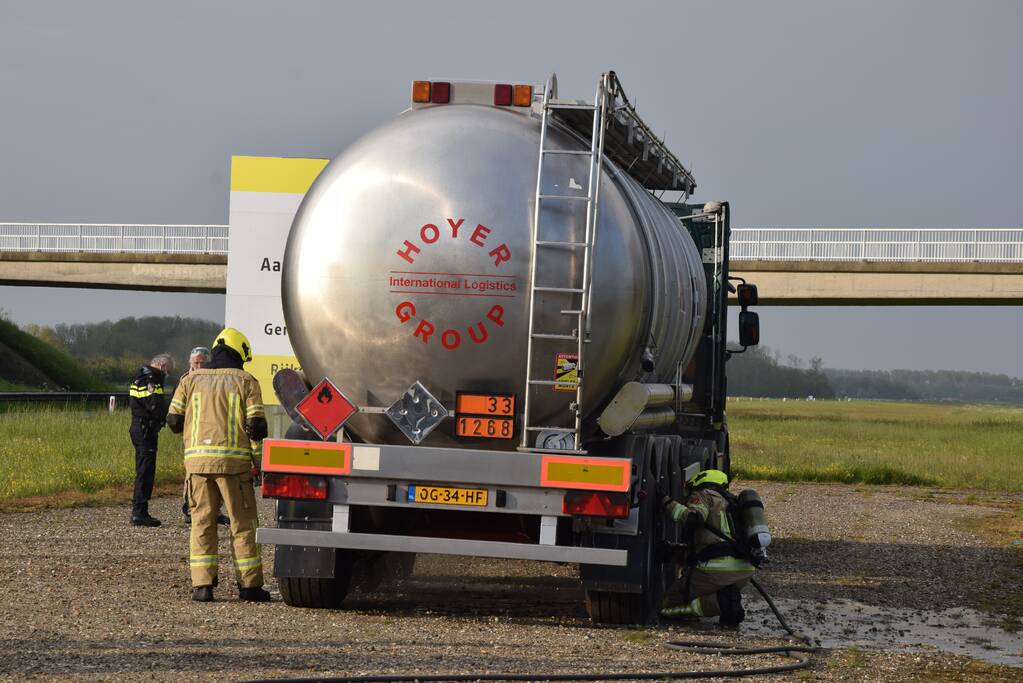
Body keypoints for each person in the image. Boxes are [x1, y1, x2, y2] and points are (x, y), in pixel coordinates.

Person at [166, 327, 271, 603]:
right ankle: (249, 587)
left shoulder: (190, 379)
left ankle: (202, 586)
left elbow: (174, 421)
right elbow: (257, 428)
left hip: (198, 465)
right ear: (240, 353)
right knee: (242, 525)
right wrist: (260, 464)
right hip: (234, 467)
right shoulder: (247, 381)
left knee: (201, 523)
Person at [659, 469, 756, 627]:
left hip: (717, 571)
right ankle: (725, 599)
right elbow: (713, 544)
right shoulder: (732, 502)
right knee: (709, 589)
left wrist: (666, 503)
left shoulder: (703, 494)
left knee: (666, 605)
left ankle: (724, 603)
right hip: (744, 571)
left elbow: (693, 518)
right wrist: (673, 552)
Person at [177, 346, 228, 526]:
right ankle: (191, 510)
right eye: (195, 363)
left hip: (213, 432)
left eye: (201, 362)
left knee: (217, 473)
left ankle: (216, 509)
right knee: (192, 476)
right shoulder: (186, 380)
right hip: (193, 435)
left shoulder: (215, 379)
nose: (198, 366)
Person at [129, 353, 175, 527]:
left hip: (141, 429)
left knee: (143, 470)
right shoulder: (150, 379)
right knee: (145, 472)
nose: (167, 374)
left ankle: (139, 510)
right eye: (168, 371)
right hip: (145, 430)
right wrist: (171, 408)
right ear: (162, 366)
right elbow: (154, 405)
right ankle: (139, 512)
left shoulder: (140, 376)